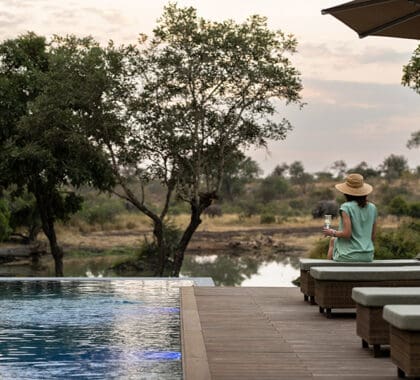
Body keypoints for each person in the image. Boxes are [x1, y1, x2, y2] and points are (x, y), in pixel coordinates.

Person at [323, 173, 377, 262]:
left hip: (348, 256)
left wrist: (332, 232)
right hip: (368, 256)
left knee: (332, 241)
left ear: (346, 192)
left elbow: (347, 234)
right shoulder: (372, 207)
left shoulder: (346, 207)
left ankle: (328, 270)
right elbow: (373, 236)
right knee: (333, 241)